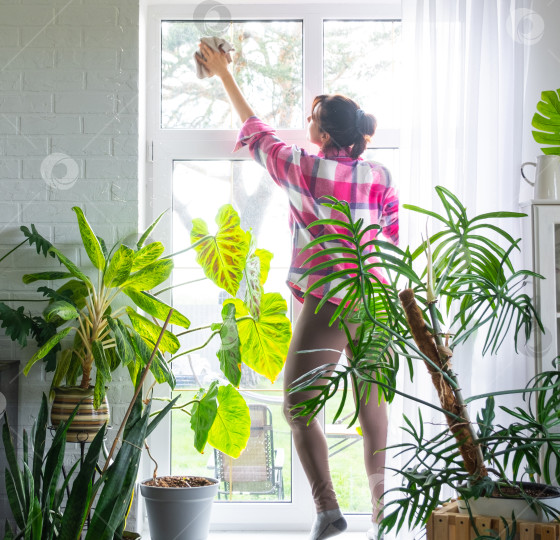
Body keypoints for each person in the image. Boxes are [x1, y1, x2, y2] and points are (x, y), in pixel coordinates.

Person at [196, 41, 399, 540]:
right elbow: (392, 236)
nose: (306, 125)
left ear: (324, 133)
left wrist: (224, 74)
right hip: (375, 299)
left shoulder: (306, 169)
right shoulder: (380, 174)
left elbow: (258, 133)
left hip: (330, 298)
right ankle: (383, 511)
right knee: (373, 405)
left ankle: (328, 510)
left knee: (297, 405)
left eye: (311, 119)